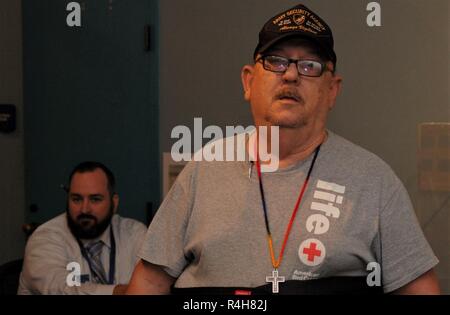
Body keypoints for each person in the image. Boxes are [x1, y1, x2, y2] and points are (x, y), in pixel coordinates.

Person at [126, 4, 440, 294]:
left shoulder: (374, 181)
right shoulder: (204, 167)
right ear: (249, 82)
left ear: (332, 90)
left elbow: (420, 288)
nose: (290, 74)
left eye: (310, 66)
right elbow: (150, 280)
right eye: (275, 61)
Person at [18, 161, 147, 294]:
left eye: (95, 199)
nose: (84, 209)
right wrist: (120, 292)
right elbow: (62, 290)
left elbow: (153, 283)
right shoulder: (44, 238)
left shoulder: (134, 233)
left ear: (114, 203)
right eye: (76, 199)